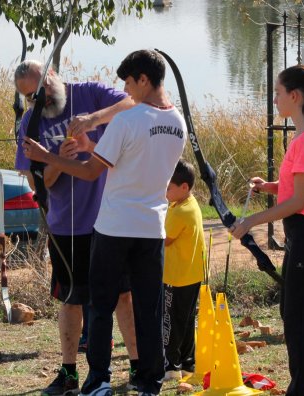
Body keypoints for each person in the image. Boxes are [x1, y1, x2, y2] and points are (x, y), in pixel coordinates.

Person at [23, 49, 186, 396]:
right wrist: (91, 142)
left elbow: (88, 170)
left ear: (143, 80)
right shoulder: (177, 123)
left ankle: (98, 379)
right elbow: (131, 159)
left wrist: (45, 156)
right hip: (151, 228)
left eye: (129, 82)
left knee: (99, 307)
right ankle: (149, 381)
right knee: (148, 307)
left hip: (113, 229)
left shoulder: (127, 121)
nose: (127, 90)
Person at [14, 59, 138, 396]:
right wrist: (59, 158)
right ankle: (68, 372)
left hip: (112, 219)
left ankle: (138, 366)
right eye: (30, 98)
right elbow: (40, 185)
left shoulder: (90, 93)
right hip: (67, 226)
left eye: (41, 92)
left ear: (52, 75)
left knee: (124, 295)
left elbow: (133, 101)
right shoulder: (30, 123)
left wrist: (94, 119)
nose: (40, 102)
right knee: (71, 299)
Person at [231, 64, 304, 396]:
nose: (275, 99)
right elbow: (302, 189)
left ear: (294, 96)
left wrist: (251, 221)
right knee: (296, 311)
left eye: (278, 93)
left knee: (301, 318)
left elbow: (299, 201)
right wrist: (268, 186)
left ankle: (302, 389)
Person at [162, 159, 205, 381]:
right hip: (192, 274)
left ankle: (170, 366)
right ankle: (189, 363)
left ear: (184, 187)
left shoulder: (178, 213)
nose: (165, 191)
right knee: (187, 320)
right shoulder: (190, 203)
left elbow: (165, 240)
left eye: (168, 187)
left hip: (175, 277)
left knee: (169, 321)